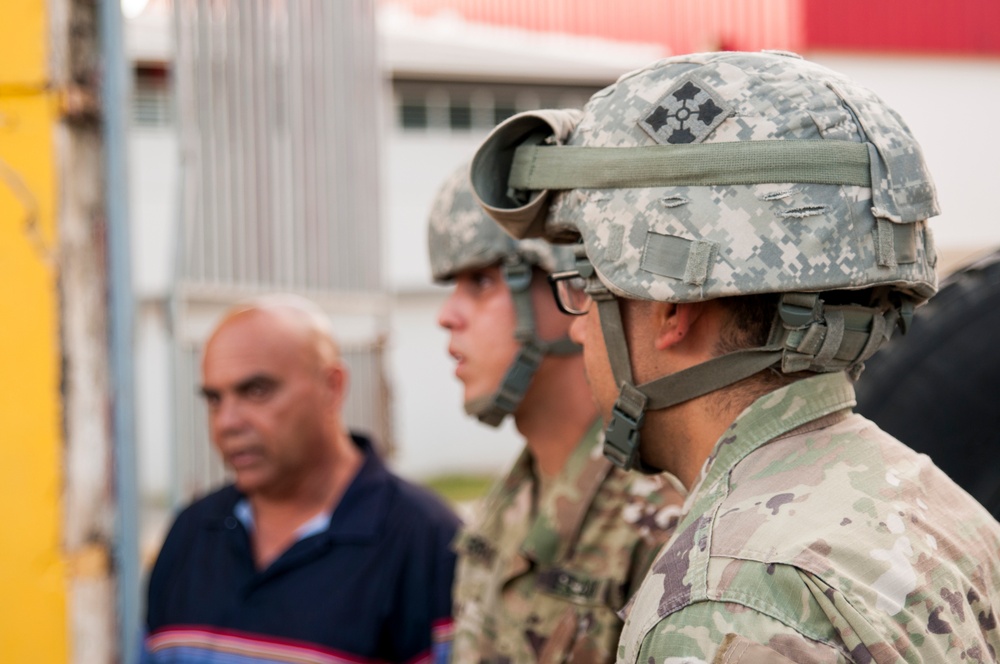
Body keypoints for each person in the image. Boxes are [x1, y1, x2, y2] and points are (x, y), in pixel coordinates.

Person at [468, 51, 1000, 663]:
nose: (582, 330)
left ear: (671, 308)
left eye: (589, 288)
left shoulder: (726, 599)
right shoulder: (937, 505)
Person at [428, 164, 686, 663]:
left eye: (481, 280)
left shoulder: (659, 521)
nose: (446, 315)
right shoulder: (510, 500)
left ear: (573, 287)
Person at [141, 295, 460, 664]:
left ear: (332, 386)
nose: (227, 422)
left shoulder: (425, 542)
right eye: (214, 399)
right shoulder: (191, 534)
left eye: (256, 391)